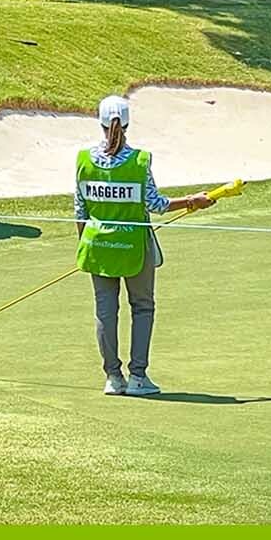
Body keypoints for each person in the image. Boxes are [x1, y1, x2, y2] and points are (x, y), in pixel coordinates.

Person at [75, 95, 215, 397]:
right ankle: (138, 377)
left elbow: (80, 212)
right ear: (127, 124)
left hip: (98, 247)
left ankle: (113, 378)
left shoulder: (83, 160)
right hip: (134, 248)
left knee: (105, 312)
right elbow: (156, 204)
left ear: (99, 122)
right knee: (142, 307)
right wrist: (194, 202)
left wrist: (84, 247)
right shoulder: (139, 160)